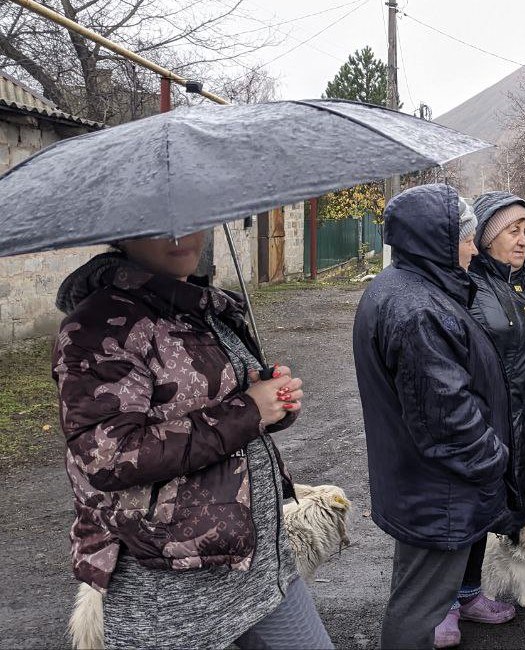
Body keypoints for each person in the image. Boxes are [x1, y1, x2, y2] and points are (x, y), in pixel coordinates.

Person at [52, 232, 331, 649]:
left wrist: (272, 403)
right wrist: (248, 411)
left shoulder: (204, 307)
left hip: (257, 564)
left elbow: (224, 408)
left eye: (190, 219)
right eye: (158, 224)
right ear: (124, 232)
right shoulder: (98, 327)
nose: (181, 235)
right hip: (168, 588)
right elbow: (109, 457)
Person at [353, 184, 513, 649]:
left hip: (422, 485)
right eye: (465, 238)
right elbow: (446, 416)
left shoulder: (407, 288)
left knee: (416, 596)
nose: (471, 248)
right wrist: (493, 460)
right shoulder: (418, 307)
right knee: (419, 611)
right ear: (438, 242)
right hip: (438, 489)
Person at [430, 192, 525, 646]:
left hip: (519, 418)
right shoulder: (465, 285)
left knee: (488, 508)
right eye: (511, 230)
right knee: (458, 508)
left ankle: (468, 593)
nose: (521, 240)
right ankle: (441, 605)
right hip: (477, 418)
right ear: (483, 234)